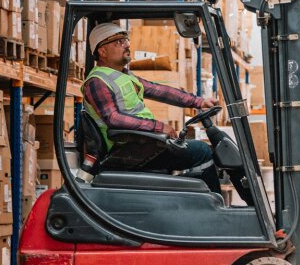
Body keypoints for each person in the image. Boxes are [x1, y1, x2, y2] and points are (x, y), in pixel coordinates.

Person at [82, 22, 230, 195]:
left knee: (195, 152)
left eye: (126, 40)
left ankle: (197, 200)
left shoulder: (124, 76)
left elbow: (160, 91)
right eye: (119, 42)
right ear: (102, 51)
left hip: (143, 143)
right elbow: (113, 118)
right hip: (128, 149)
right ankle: (212, 204)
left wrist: (199, 102)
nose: (127, 45)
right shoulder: (97, 81)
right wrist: (159, 127)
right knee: (201, 151)